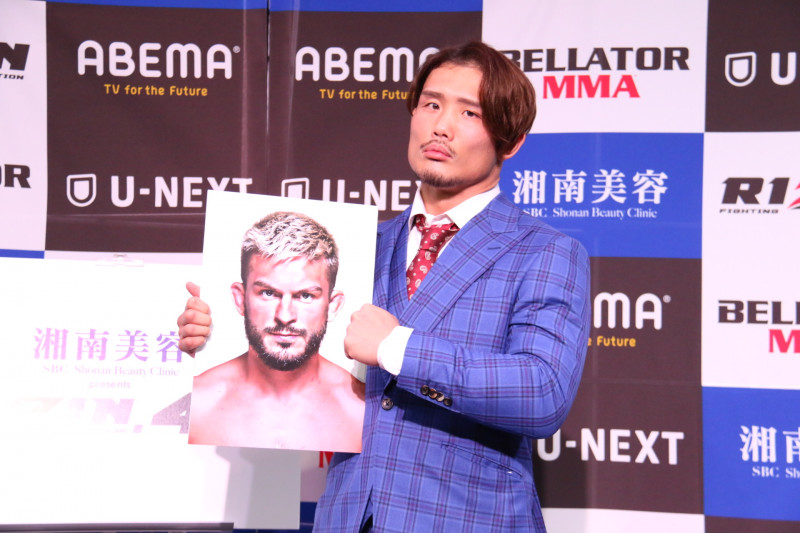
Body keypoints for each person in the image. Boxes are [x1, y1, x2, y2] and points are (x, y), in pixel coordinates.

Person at [179, 41, 590, 532]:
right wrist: (218, 333)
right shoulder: (359, 246)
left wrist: (397, 348)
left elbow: (542, 392)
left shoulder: (543, 250)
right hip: (348, 518)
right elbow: (303, 369)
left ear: (511, 140)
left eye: (470, 113)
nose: (441, 126)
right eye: (431, 104)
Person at [187, 211, 365, 453]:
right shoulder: (200, 402)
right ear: (240, 299)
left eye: (305, 296)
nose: (285, 316)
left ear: (332, 306)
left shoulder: (361, 409)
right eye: (268, 293)